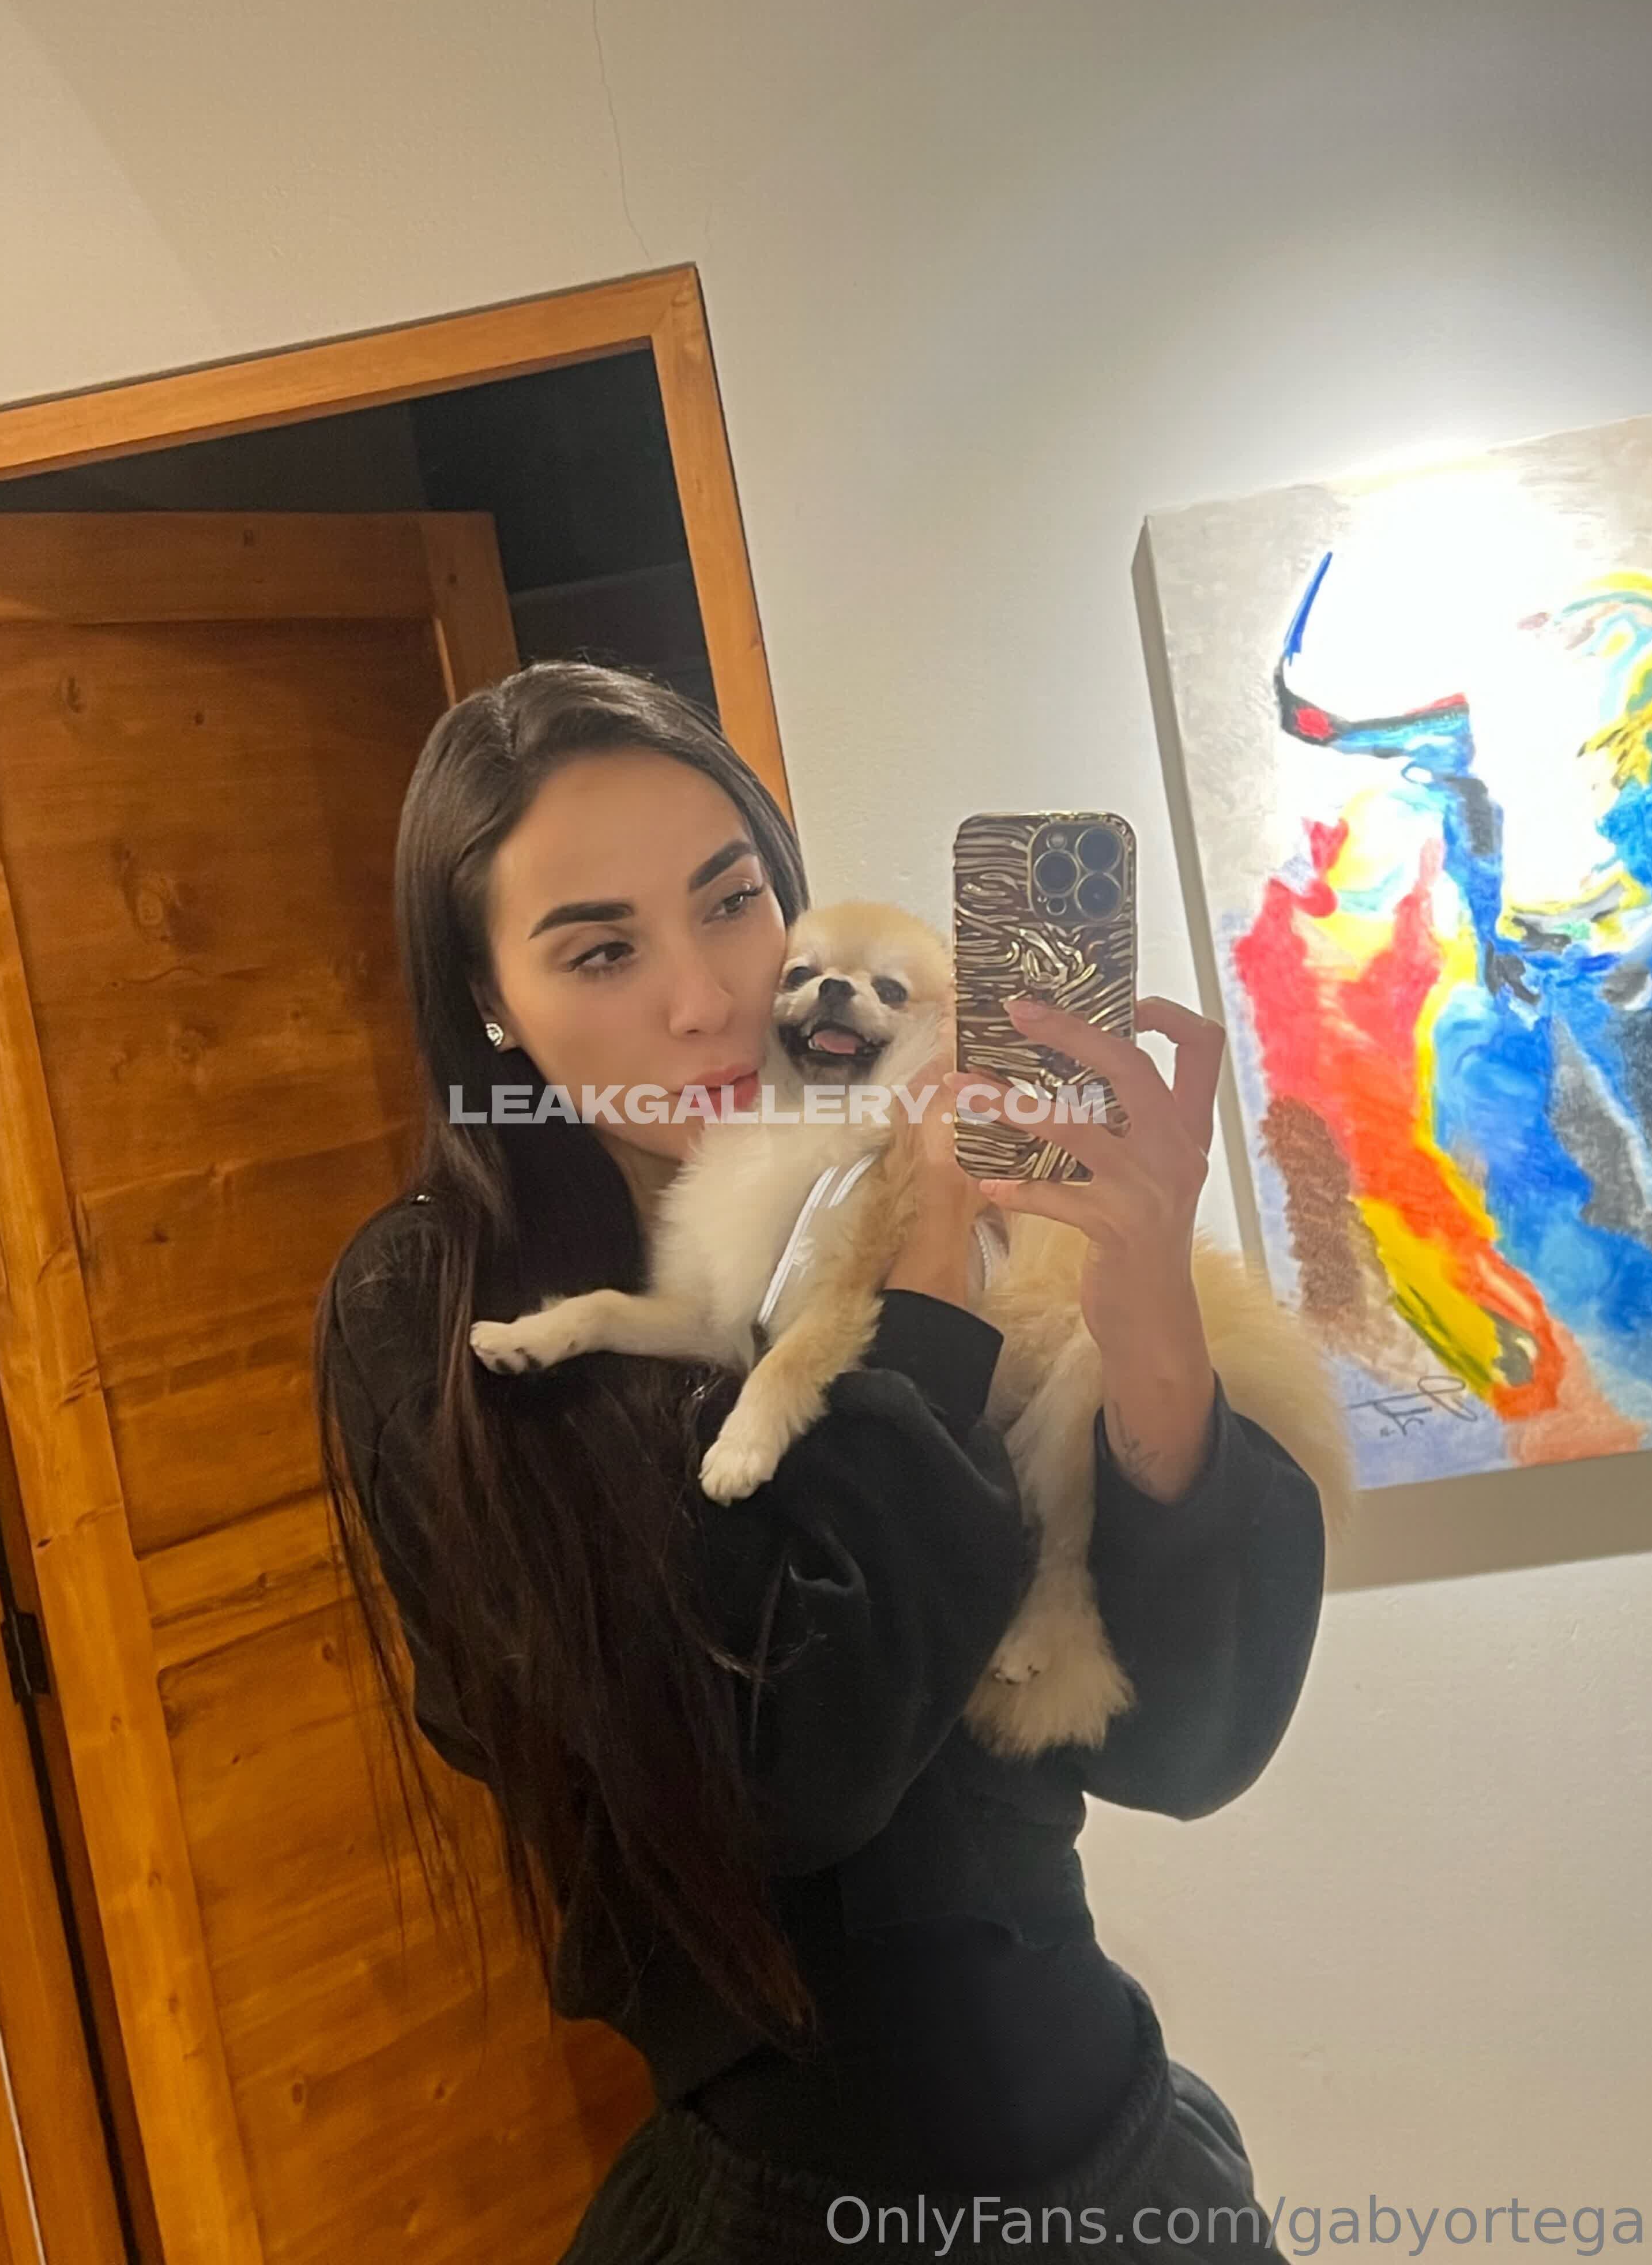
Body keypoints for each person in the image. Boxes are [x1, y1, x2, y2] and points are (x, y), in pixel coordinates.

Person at [314, 660, 1328, 2263]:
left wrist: (1145, 1333)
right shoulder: (437, 1315)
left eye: (735, 903)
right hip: (791, 2214)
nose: (710, 999)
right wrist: (920, 1300)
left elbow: (1187, 1751)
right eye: (601, 950)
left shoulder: (911, 1179)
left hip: (1133, 2173)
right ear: (491, 998)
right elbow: (786, 1784)